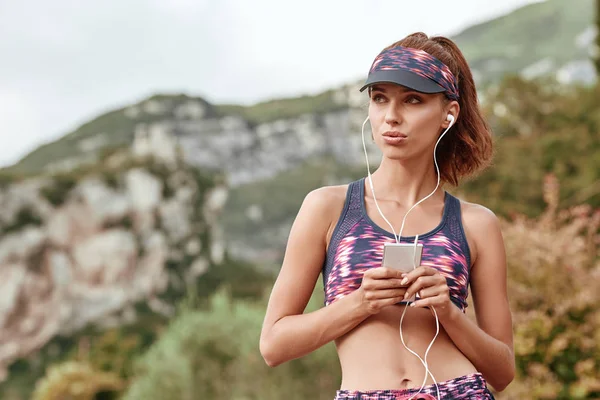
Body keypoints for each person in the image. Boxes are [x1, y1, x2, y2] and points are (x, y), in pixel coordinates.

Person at [259, 32, 514, 400]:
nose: (391, 117)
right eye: (380, 99)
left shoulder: (476, 224)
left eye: (413, 100)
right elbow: (273, 345)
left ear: (448, 113)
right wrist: (360, 302)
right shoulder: (328, 208)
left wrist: (448, 311)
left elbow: (503, 371)